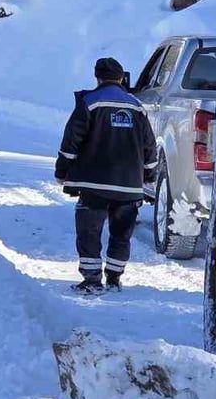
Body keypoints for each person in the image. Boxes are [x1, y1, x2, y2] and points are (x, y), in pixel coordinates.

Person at [55, 57, 157, 295]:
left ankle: (91, 280)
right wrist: (149, 173)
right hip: (129, 185)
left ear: (98, 78)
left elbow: (72, 141)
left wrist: (62, 169)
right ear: (122, 78)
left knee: (89, 232)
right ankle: (114, 278)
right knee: (121, 234)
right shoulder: (136, 106)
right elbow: (149, 145)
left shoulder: (89, 102)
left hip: (93, 184)